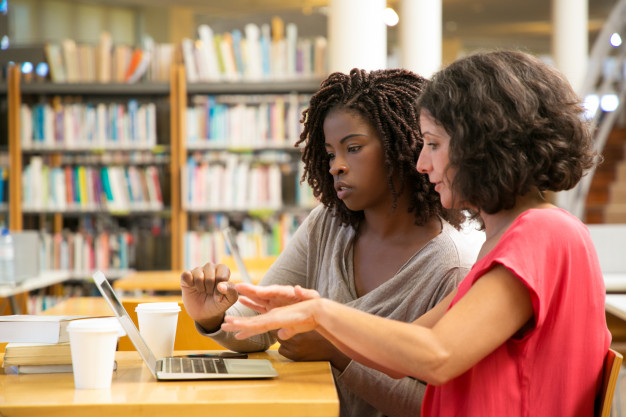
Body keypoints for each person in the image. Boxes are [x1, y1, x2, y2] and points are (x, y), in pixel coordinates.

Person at [221, 51, 611, 417]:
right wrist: (311, 313)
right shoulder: (514, 237)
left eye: (434, 145)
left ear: (485, 144)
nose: (421, 163)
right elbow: (407, 343)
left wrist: (321, 312)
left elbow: (436, 356)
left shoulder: (542, 232)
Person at [181, 68, 477, 417]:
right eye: (330, 153)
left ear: (405, 145)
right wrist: (214, 317)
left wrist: (337, 351)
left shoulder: (451, 266)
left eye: (352, 148)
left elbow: (435, 406)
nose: (336, 166)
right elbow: (263, 328)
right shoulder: (327, 225)